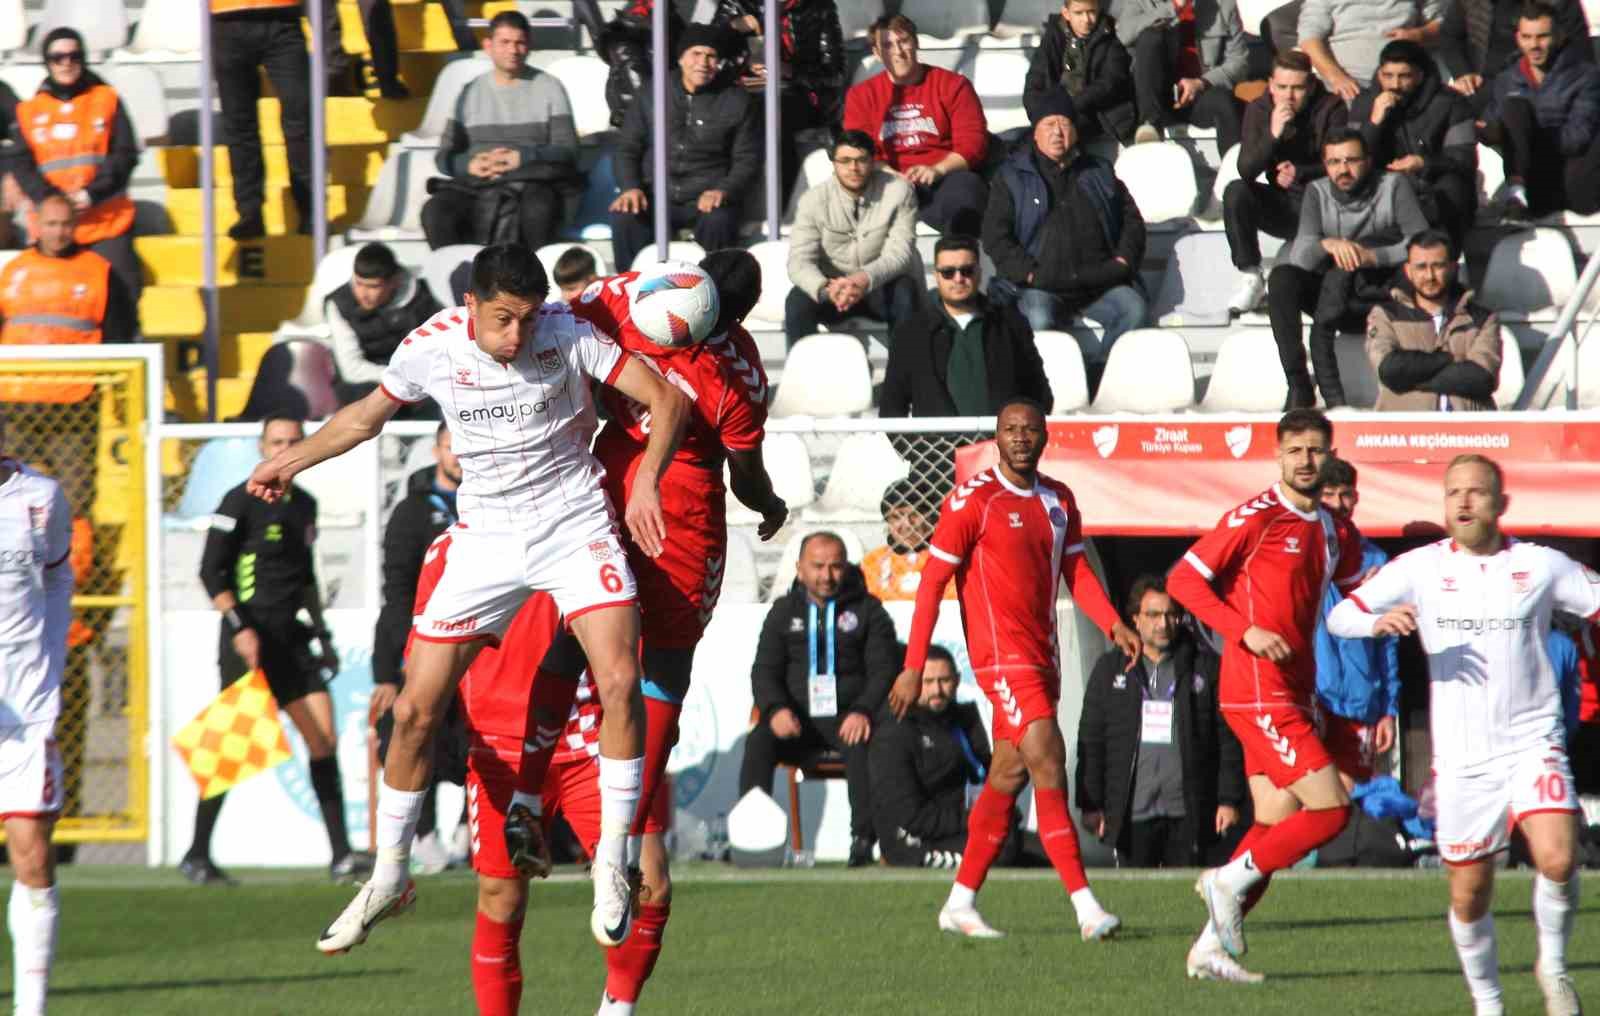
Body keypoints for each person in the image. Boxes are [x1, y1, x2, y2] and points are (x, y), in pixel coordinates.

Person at [248, 244, 689, 955]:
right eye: (503, 320)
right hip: (485, 538)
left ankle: (613, 858)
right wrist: (288, 459)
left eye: (526, 321)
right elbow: (365, 418)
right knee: (416, 708)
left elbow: (666, 398)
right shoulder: (431, 347)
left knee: (617, 678)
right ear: (471, 307)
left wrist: (644, 483)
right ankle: (390, 874)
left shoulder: (566, 334)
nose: (516, 337)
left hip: (573, 523)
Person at [1327, 454, 1600, 1016]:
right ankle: (1489, 1003)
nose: (1465, 501)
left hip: (1533, 740)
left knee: (1557, 858)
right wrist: (1376, 621)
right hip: (1462, 760)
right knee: (1469, 893)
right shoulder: (1420, 568)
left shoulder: (1541, 565)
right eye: (1454, 492)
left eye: (1477, 492)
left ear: (1501, 503)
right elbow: (1339, 618)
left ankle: (1551, 965)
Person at [562, 247, 787, 901]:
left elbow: (556, 319)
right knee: (667, 665)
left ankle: (547, 800)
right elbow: (745, 476)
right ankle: (620, 833)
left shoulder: (630, 295)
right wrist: (770, 504)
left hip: (603, 478)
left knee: (571, 633)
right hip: (675, 512)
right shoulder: (736, 372)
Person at [889, 398, 1139, 940]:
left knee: (1007, 775)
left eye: (1030, 429)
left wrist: (1113, 622)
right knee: (1050, 759)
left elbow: (1076, 568)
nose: (1021, 437)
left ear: (1045, 436)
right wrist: (913, 666)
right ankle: (1086, 907)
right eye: (1010, 429)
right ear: (996, 438)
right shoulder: (971, 500)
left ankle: (959, 902)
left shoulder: (1058, 498)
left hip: (1042, 656)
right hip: (1001, 659)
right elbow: (932, 584)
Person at [1165, 408, 1366, 983]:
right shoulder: (1256, 516)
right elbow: (1183, 579)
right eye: (1296, 450)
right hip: (1255, 689)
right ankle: (1224, 880)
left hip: (1296, 688)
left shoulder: (1332, 528)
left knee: (1277, 821)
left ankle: (1208, 948)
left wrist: (1386, 616)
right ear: (1278, 453)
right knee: (1330, 810)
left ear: (1329, 454)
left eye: (1316, 449)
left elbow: (1353, 600)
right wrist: (1243, 630)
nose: (1306, 460)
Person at [185, 416, 368, 885]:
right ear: (262, 447)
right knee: (232, 744)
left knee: (323, 740)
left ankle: (342, 855)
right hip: (249, 640)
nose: (285, 449)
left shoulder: (304, 504)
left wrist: (322, 635)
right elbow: (211, 573)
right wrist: (240, 628)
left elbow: (305, 577)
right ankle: (197, 853)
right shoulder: (239, 499)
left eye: (293, 442)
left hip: (294, 639)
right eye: (277, 442)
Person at [739, 532, 899, 866]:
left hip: (849, 717)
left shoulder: (869, 610)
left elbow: (883, 670)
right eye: (817, 567)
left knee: (864, 741)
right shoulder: (783, 612)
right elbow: (763, 671)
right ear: (799, 569)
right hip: (796, 721)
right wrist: (775, 709)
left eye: (835, 567)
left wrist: (863, 710)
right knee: (758, 742)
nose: (826, 576)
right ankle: (752, 840)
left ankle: (863, 840)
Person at [1076, 575, 1247, 867]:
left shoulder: (1204, 667)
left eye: (1171, 614)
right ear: (1135, 619)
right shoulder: (1110, 669)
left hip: (1188, 811)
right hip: (1132, 812)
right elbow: (1091, 738)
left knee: (1186, 898)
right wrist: (1091, 804)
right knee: (1135, 899)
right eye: (1153, 615)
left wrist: (1229, 799)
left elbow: (1228, 739)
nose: (1163, 624)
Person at [983, 95, 1148, 379]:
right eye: (1049, 124)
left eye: (1064, 123)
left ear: (1075, 130)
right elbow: (995, 236)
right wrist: (1030, 275)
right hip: (1041, 285)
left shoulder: (1100, 171)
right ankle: (1053, 386)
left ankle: (1100, 378)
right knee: (1038, 319)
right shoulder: (1011, 176)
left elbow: (1132, 221)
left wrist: (1122, 262)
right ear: (1035, 132)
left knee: (1134, 309)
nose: (1057, 132)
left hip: (1100, 283)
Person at [1267, 128, 1430, 408]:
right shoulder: (1316, 192)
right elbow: (1302, 257)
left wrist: (1371, 256)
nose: (1343, 170)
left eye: (1351, 160)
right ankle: (1298, 384)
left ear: (1367, 161)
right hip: (1332, 295)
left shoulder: (1393, 186)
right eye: (1334, 162)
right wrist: (1328, 244)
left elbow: (1422, 244)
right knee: (1282, 277)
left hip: (1382, 296)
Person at [0, 415, 73, 1016]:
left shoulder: (41, 498)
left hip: (23, 714)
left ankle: (31, 1008)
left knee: (32, 855)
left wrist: (48, 664)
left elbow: (57, 577)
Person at [369, 423, 461, 872]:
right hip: (428, 644)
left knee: (491, 737)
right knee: (412, 730)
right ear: (436, 450)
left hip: (488, 646)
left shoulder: (495, 504)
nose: (461, 454)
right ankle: (420, 834)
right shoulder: (412, 512)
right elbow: (397, 591)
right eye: (451, 446)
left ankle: (473, 825)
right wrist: (393, 665)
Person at [421, 11, 580, 251]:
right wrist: (469, 165)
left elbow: (568, 150)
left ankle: (533, 279)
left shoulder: (550, 88)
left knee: (538, 208)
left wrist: (522, 158)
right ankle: (454, 280)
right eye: (505, 42)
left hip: (533, 180)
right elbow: (444, 156)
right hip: (478, 183)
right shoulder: (469, 92)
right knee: (436, 212)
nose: (513, 50)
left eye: (520, 42)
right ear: (488, 46)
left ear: (529, 46)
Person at [609, 24, 760, 274]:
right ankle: (628, 288)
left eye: (711, 56)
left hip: (706, 196)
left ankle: (715, 291)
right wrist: (630, 187)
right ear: (681, 58)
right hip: (655, 193)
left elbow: (747, 159)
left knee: (719, 220)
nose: (703, 62)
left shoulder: (736, 100)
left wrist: (723, 189)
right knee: (625, 216)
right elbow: (627, 147)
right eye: (696, 54)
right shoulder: (652, 93)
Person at [7, 29, 141, 303]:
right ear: (47, 62)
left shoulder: (107, 100)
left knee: (120, 301)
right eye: (58, 57)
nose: (66, 63)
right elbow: (22, 164)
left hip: (105, 223)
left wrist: (91, 194)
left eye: (73, 56)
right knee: (52, 301)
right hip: (51, 228)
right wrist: (51, 201)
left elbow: (125, 154)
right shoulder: (29, 111)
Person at [1224, 51, 1349, 315]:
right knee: (1236, 192)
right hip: (1284, 204)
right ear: (1270, 85)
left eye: (1297, 88)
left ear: (1312, 86)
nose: (1288, 96)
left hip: (1324, 206)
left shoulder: (1331, 107)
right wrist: (1273, 134)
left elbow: (1345, 165)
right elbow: (1246, 169)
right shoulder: (1260, 109)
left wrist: (1301, 172)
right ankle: (1251, 276)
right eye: (1281, 87)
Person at [843, 14, 990, 236]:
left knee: (968, 193)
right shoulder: (861, 96)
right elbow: (859, 149)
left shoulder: (953, 85)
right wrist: (891, 175)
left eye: (903, 41)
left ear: (916, 43)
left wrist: (937, 170)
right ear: (876, 53)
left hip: (943, 178)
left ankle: (955, 266)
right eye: (887, 45)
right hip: (886, 180)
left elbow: (973, 143)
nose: (898, 52)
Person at [880, 235, 1054, 418]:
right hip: (936, 446)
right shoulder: (910, 333)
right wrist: (919, 447)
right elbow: (891, 411)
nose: (958, 279)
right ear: (936, 277)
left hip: (998, 445)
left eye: (967, 270)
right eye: (948, 272)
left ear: (979, 272)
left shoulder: (1010, 325)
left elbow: (1039, 396)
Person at [784, 129, 922, 346]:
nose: (853, 168)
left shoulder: (899, 191)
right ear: (833, 162)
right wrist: (825, 287)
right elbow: (799, 261)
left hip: (879, 285)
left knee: (904, 291)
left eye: (861, 160)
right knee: (797, 301)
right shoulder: (813, 200)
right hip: (833, 290)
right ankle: (804, 373)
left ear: (873, 160)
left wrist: (863, 279)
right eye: (845, 160)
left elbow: (900, 253)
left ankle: (904, 375)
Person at [1313, 457, 1399, 793]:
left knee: (1348, 807)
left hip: (1362, 705)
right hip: (1315, 704)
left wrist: (1388, 710)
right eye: (1329, 494)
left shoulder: (1376, 561)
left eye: (1345, 495)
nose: (1337, 504)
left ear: (1357, 498)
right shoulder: (1301, 555)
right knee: (1312, 806)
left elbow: (1388, 642)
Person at [871, 646, 994, 868]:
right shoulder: (895, 731)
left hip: (962, 828)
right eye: (927, 682)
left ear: (957, 681)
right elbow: (911, 817)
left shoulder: (966, 720)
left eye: (944, 680)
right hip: (913, 840)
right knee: (999, 848)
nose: (937, 690)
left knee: (1039, 847)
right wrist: (974, 819)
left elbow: (989, 773)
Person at [1478, 1, 1600, 220]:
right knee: (1514, 107)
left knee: (1517, 110)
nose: (1534, 45)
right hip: (1529, 175)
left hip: (1573, 177)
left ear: (1560, 36)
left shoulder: (1586, 77)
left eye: (1542, 36)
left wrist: (1526, 134)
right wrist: (1489, 132)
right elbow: (1494, 123)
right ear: (1517, 38)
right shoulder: (1507, 79)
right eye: (1527, 37)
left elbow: (1578, 137)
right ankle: (1517, 195)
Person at [1348, 40, 1477, 245]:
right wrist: (1373, 123)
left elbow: (1464, 158)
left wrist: (1423, 162)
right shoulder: (1364, 104)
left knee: (1453, 185)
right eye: (1388, 76)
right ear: (1379, 74)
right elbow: (1350, 160)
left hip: (1434, 185)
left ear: (1420, 75)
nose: (1395, 85)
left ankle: (1443, 253)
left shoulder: (1451, 103)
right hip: (1384, 185)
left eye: (1404, 76)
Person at [714, 0, 847, 196]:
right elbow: (704, 61)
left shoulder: (818, 6)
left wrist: (790, 71)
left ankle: (782, 204)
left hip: (800, 95)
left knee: (774, 115)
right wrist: (734, 34)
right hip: (743, 92)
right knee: (729, 113)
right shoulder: (735, 4)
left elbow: (836, 73)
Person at [209, 0, 314, 239]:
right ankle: (250, 212)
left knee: (300, 119)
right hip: (226, 20)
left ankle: (311, 209)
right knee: (239, 124)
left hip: (283, 18)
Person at [1365, 230, 1502, 411]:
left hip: (1470, 434)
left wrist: (1408, 379)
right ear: (1408, 271)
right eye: (1421, 267)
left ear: (1453, 267)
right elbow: (1389, 370)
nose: (1429, 276)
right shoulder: (1386, 315)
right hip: (1404, 434)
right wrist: (1449, 358)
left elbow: (1481, 378)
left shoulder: (1482, 319)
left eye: (1438, 266)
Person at [0, 194, 138, 353]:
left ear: (75, 225)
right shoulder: (14, 269)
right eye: (51, 224)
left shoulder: (100, 271)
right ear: (37, 225)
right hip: (18, 373)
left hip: (77, 373)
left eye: (65, 224)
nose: (58, 233)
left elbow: (118, 332)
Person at [1111, 0, 1248, 150]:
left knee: (1225, 102)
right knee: (1151, 37)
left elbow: (1239, 62)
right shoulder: (1140, 2)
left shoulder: (1223, 4)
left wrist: (1201, 82)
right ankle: (1150, 127)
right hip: (1153, 98)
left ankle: (1232, 171)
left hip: (1197, 95)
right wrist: (1172, 8)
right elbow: (1123, 35)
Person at [326, 242, 443, 408]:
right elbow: (351, 369)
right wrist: (403, 380)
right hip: (370, 386)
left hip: (422, 386)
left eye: (373, 286)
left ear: (394, 282)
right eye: (358, 283)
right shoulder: (338, 304)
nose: (363, 294)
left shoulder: (426, 298)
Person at [1442, 0, 1590, 115]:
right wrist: (1463, 72)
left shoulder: (1558, 3)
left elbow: (1580, 51)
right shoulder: (1471, 3)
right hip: (1484, 84)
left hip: (1545, 86)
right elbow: (1449, 36)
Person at [1023, 0, 1137, 145]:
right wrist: (1040, 116)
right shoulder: (1052, 37)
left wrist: (1068, 108)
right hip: (1056, 112)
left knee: (1062, 135)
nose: (1086, 20)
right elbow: (1035, 81)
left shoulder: (1110, 36)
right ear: (1066, 14)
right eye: (1079, 13)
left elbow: (1110, 82)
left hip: (1097, 116)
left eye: (1091, 12)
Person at [1298, 0, 1444, 102]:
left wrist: (1419, 34)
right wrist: (1336, 77)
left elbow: (1441, 24)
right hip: (1351, 82)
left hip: (1405, 81)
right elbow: (1309, 38)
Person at [861, 478, 955, 603]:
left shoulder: (950, 558)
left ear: (932, 518)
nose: (907, 524)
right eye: (896, 516)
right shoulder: (873, 561)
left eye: (915, 514)